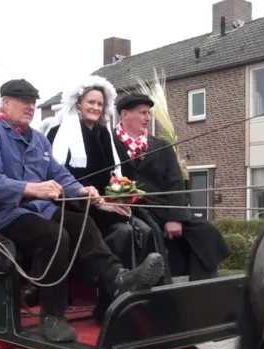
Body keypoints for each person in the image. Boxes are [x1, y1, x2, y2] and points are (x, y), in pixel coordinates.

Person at [0, 78, 165, 343]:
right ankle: (52, 316)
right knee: (54, 236)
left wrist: (81, 190)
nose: (30, 107)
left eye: (33, 103)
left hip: (33, 210)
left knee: (80, 220)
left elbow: (59, 174)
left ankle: (118, 277)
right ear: (5, 102)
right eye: (24, 102)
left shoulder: (37, 139)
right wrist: (32, 188)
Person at [41, 76, 169, 279]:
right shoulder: (59, 134)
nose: (96, 107)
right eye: (91, 102)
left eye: (100, 103)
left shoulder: (106, 134)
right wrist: (99, 202)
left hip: (107, 204)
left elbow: (126, 172)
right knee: (125, 232)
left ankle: (151, 286)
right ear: (78, 104)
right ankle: (116, 287)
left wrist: (123, 194)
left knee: (146, 228)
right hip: (75, 206)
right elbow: (56, 177)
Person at [112, 93, 229, 280]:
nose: (148, 118)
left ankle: (202, 289)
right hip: (133, 209)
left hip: (163, 208)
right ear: (125, 114)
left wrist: (175, 218)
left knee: (205, 232)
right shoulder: (109, 142)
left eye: (149, 113)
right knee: (152, 233)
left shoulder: (161, 146)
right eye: (143, 113)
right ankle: (161, 290)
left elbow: (175, 182)